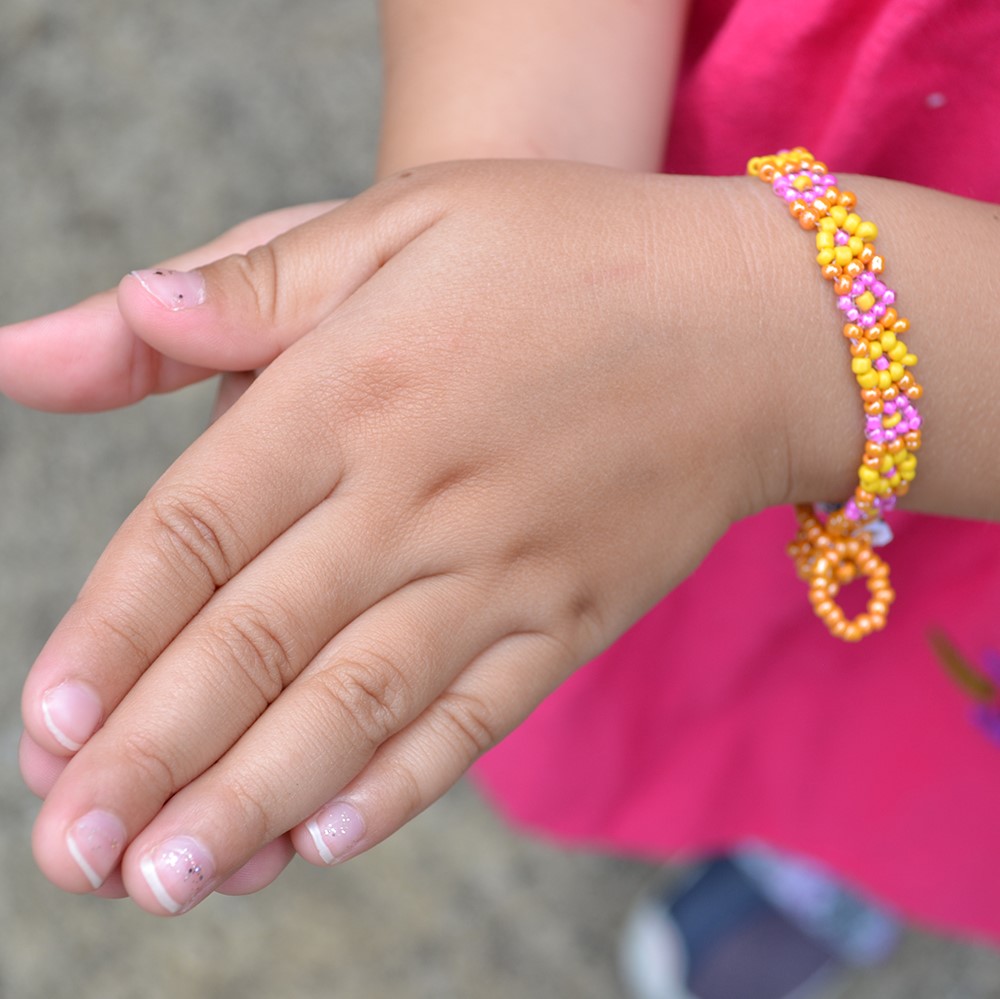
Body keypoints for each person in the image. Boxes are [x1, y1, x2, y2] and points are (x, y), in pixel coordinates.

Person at [3, 1, 1000, 996]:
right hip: (645, 413)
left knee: (924, 772)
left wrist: (776, 344)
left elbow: (749, 347)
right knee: (692, 654)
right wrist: (495, 227)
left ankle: (845, 859)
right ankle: (803, 831)